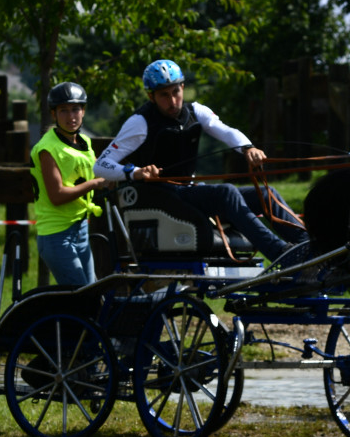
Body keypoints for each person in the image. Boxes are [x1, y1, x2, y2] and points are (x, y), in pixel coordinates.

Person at [93, 59, 307, 261]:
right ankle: (281, 253)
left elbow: (226, 131)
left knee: (266, 194)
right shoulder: (140, 122)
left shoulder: (196, 111)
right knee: (226, 193)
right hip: (163, 197)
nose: (172, 101)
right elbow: (101, 165)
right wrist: (134, 172)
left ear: (182, 87)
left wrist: (248, 148)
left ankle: (308, 245)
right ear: (151, 96)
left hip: (189, 191)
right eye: (164, 95)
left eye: (175, 92)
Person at [30, 81, 109, 286]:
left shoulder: (84, 141)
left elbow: (99, 170)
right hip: (57, 235)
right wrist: (94, 184)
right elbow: (56, 196)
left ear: (83, 111)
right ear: (54, 114)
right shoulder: (47, 148)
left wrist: (133, 173)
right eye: (63, 110)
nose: (71, 116)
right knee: (81, 298)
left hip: (80, 228)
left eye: (75, 109)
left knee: (91, 294)